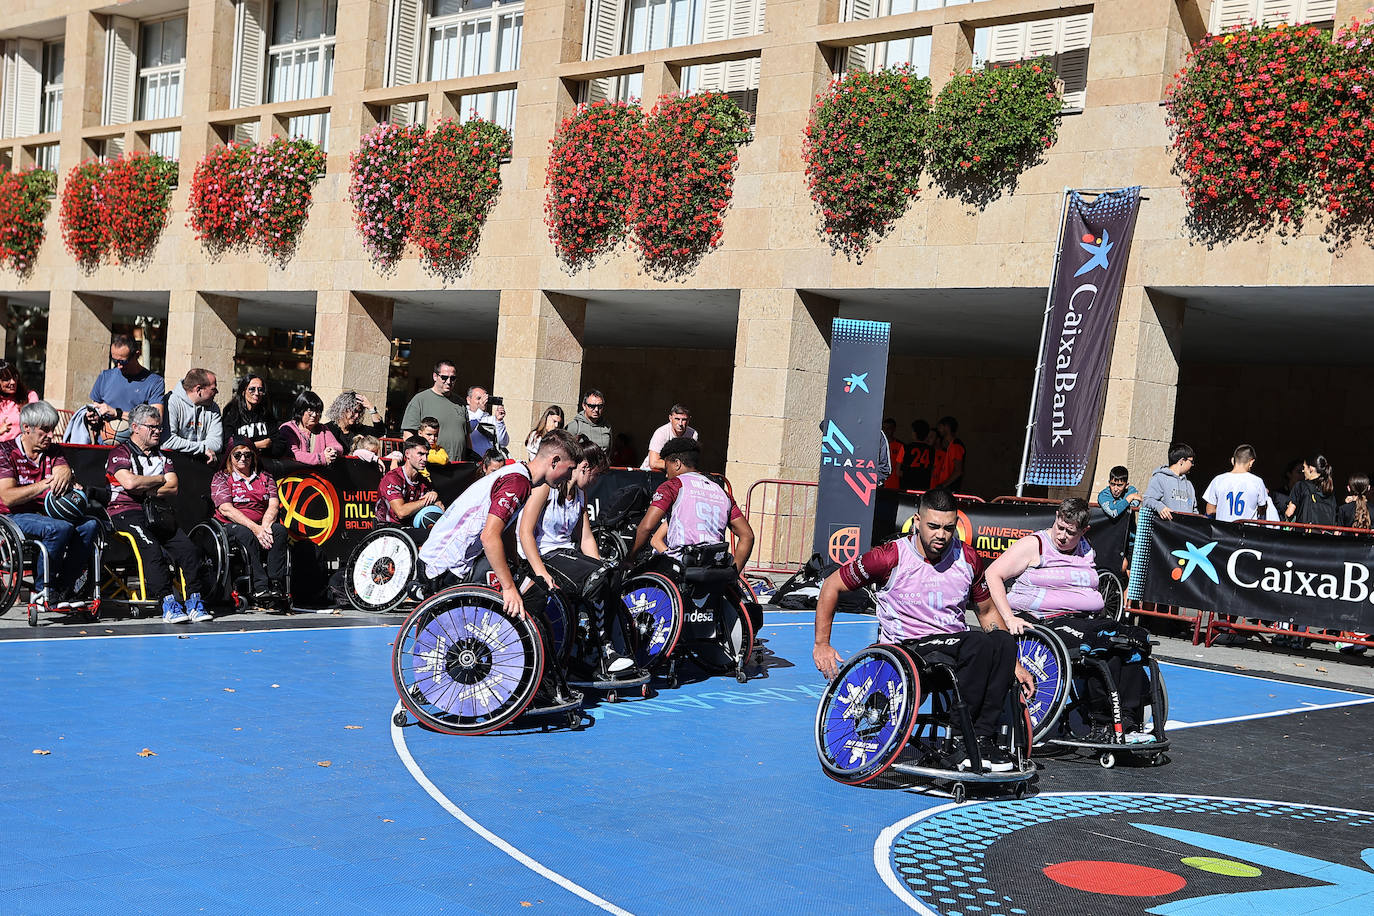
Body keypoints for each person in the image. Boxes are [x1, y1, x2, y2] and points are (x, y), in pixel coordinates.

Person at [812, 488, 1034, 772]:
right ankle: (962, 742)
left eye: (948, 528)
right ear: (917, 521)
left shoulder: (967, 558)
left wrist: (1012, 663)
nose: (941, 535)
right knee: (978, 644)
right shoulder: (890, 557)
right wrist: (822, 644)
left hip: (954, 647)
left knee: (1002, 642)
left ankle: (980, 737)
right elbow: (832, 584)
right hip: (908, 649)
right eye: (933, 526)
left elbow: (988, 612)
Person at [985, 497, 1154, 744]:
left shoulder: (1086, 549)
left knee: (1127, 642)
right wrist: (1009, 618)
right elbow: (992, 573)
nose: (1062, 536)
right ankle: (1104, 724)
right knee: (1100, 648)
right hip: (1044, 622)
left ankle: (1128, 721)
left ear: (1084, 531)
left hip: (1082, 620)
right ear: (1056, 518)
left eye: (1070, 532)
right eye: (1060, 527)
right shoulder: (1036, 545)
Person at [418, 428, 582, 617]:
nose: (570, 477)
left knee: (532, 591)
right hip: (443, 566)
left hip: (458, 559)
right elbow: (489, 536)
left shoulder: (521, 476)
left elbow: (508, 530)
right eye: (569, 469)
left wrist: (515, 563)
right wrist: (509, 587)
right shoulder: (517, 482)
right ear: (554, 461)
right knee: (530, 596)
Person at [519, 439, 634, 676]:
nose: (596, 482)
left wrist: (603, 567)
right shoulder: (545, 488)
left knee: (611, 573)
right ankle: (605, 650)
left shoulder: (580, 494)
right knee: (599, 577)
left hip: (565, 552)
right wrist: (540, 571)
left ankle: (596, 646)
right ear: (584, 468)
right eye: (595, 475)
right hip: (543, 555)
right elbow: (525, 532)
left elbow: (586, 538)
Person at [105, 403, 210, 624]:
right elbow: (130, 482)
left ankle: (193, 600)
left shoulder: (163, 457)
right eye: (151, 427)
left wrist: (147, 485)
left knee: (188, 548)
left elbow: (173, 487)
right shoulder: (119, 452)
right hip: (125, 512)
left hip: (157, 512)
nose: (156, 431)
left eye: (159, 428)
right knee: (151, 548)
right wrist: (159, 479)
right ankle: (167, 602)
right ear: (135, 427)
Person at [0, 401, 99, 611]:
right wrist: (45, 483)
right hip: (12, 515)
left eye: (52, 430)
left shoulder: (54, 450)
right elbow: (8, 497)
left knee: (89, 525)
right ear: (26, 427)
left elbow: (63, 470)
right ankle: (43, 590)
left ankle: (64, 588)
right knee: (58, 528)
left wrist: (67, 473)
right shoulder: (5, 452)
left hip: (45, 513)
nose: (50, 435)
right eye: (45, 430)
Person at [631, 437, 754, 571]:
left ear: (677, 464)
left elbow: (646, 527)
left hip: (682, 565)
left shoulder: (673, 486)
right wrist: (733, 573)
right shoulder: (722, 492)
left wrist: (630, 558)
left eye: (666, 469)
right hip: (714, 564)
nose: (666, 475)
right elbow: (747, 536)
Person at [210, 439, 289, 607]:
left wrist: (265, 526)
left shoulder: (265, 476)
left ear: (253, 457)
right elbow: (226, 509)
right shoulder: (221, 477)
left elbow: (274, 504)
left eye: (247, 454)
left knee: (279, 531)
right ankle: (260, 586)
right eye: (237, 455)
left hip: (261, 522)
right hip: (230, 525)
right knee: (245, 533)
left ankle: (275, 584)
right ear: (230, 457)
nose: (242, 458)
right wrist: (255, 529)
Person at [88, 333, 165, 424]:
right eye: (115, 361)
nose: (119, 366)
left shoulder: (155, 382)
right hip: (105, 437)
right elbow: (95, 406)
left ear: (137, 355)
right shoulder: (105, 377)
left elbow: (156, 419)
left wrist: (118, 413)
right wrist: (94, 417)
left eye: (123, 361)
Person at [401, 360, 467, 459]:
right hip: (430, 466)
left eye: (452, 378)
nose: (449, 381)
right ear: (435, 376)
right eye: (444, 377)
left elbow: (467, 437)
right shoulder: (420, 400)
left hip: (457, 465)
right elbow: (408, 436)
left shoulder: (460, 403)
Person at [375, 436, 441, 528]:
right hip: (389, 529)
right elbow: (401, 512)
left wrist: (435, 497)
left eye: (426, 455)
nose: (425, 459)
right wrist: (427, 500)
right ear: (407, 454)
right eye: (420, 454)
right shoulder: (393, 478)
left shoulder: (424, 481)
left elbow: (440, 508)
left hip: (410, 528)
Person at [162, 368, 223, 464]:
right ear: (198, 389)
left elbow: (216, 444)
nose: (217, 392)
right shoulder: (171, 402)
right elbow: (168, 441)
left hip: (203, 463)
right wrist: (203, 449)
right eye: (213, 389)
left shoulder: (213, 408)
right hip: (174, 463)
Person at [1203, 445, 1269, 522]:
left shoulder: (1218, 480)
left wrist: (1225, 510)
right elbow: (1262, 509)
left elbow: (1209, 511)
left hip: (1223, 530)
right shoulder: (1257, 481)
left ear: (1232, 460)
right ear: (1251, 462)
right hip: (1246, 532)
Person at [277, 391, 342, 466]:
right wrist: (321, 458)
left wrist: (331, 451)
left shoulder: (322, 429)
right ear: (300, 410)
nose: (314, 415)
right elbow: (294, 454)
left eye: (317, 411)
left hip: (317, 475)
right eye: (310, 410)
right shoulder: (288, 429)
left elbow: (338, 447)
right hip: (295, 475)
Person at [1142, 443, 1198, 519]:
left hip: (1185, 529)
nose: (1192, 465)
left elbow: (1194, 510)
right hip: (1166, 528)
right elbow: (1147, 500)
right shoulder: (1159, 478)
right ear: (1182, 461)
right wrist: (1160, 507)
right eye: (1191, 461)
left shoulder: (1189, 485)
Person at [222, 375, 275, 451]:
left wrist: (244, 446)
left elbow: (279, 445)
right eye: (252, 389)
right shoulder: (231, 413)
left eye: (260, 389)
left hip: (264, 460)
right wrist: (257, 445)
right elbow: (227, 444)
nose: (256, 393)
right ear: (243, 392)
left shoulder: (266, 413)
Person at [641, 404, 697, 472]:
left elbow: (690, 461)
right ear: (670, 418)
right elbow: (653, 463)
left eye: (684, 419)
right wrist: (677, 466)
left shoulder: (693, 434)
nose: (680, 423)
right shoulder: (661, 432)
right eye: (677, 419)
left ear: (689, 420)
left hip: (675, 473)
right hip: (650, 473)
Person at [1285, 454, 1338, 525]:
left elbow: (1289, 513)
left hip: (1305, 533)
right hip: (1325, 534)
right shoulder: (1329, 490)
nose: (1303, 471)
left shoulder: (1301, 485)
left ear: (1311, 469)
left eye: (1304, 467)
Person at [0, 360, 39, 441]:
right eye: (6, 379)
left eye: (15, 377)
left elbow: (36, 424)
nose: (13, 382)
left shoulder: (30, 397)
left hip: (21, 450)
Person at [465, 387, 509, 458]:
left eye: (485, 399)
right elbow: (469, 428)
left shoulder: (490, 418)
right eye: (479, 398)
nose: (483, 402)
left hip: (489, 463)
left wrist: (499, 421)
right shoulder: (463, 416)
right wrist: (480, 411)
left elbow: (503, 443)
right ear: (468, 400)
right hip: (471, 460)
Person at [931, 416, 965, 491]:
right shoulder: (951, 446)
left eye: (940, 426)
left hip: (950, 489)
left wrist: (943, 485)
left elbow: (958, 471)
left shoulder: (956, 446)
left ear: (947, 427)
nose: (938, 430)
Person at [901, 419, 934, 492]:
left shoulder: (905, 448)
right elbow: (933, 470)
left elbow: (898, 471)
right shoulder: (932, 450)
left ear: (914, 433)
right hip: (924, 486)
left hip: (907, 485)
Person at [881, 418, 904, 490]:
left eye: (889, 428)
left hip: (894, 484)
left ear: (894, 429)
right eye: (884, 428)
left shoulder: (900, 446)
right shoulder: (877, 445)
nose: (886, 430)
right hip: (880, 482)